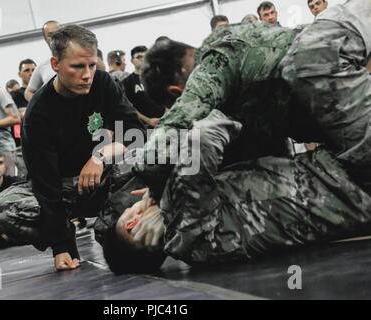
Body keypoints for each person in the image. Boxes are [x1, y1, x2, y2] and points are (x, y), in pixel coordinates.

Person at [97, 0, 371, 274]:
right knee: (313, 54)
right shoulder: (183, 224)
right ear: (134, 223)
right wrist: (161, 185)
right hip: (352, 177)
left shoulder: (192, 243)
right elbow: (204, 139)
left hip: (346, 175)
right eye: (131, 211)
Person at [0, 25, 145, 271]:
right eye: (78, 67)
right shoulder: (39, 112)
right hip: (62, 188)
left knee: (157, 160)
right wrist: (62, 245)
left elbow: (135, 133)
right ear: (55, 64)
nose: (87, 75)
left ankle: (111, 227)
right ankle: (66, 230)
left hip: (105, 180)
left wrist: (99, 156)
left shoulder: (103, 83)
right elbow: (46, 185)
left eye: (92, 65)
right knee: (3, 211)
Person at [122, 45, 165, 128]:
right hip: (143, 126)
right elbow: (128, 107)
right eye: (139, 57)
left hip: (164, 122)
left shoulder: (159, 77)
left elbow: (168, 99)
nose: (143, 59)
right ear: (132, 61)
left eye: (146, 56)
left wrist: (166, 116)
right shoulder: (127, 82)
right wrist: (148, 120)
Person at [24, 20, 61, 102]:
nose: (54, 37)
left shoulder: (77, 58)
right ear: (45, 38)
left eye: (57, 33)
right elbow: (28, 93)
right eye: (50, 35)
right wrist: (42, 106)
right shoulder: (43, 67)